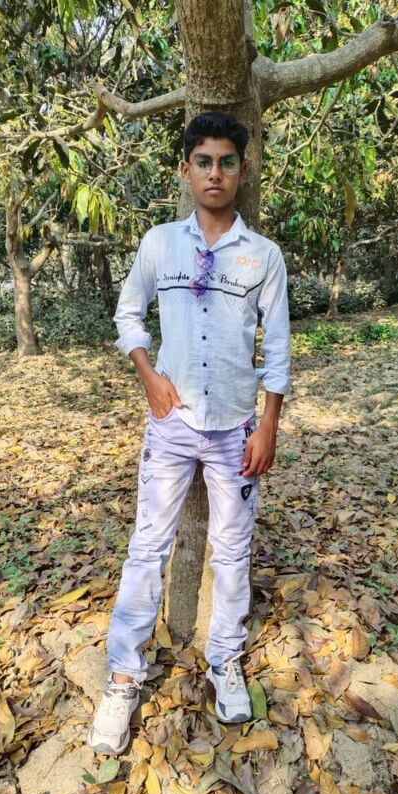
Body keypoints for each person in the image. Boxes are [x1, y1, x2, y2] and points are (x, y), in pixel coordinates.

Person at [88, 111, 291, 755]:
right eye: (204, 161)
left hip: (235, 429)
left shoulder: (263, 256)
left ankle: (225, 661)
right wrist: (148, 374)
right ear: (186, 169)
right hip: (171, 425)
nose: (215, 173)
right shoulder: (159, 244)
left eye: (227, 162)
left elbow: (278, 346)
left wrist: (268, 424)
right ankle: (123, 678)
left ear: (242, 170)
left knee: (231, 551)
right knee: (148, 546)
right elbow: (128, 313)